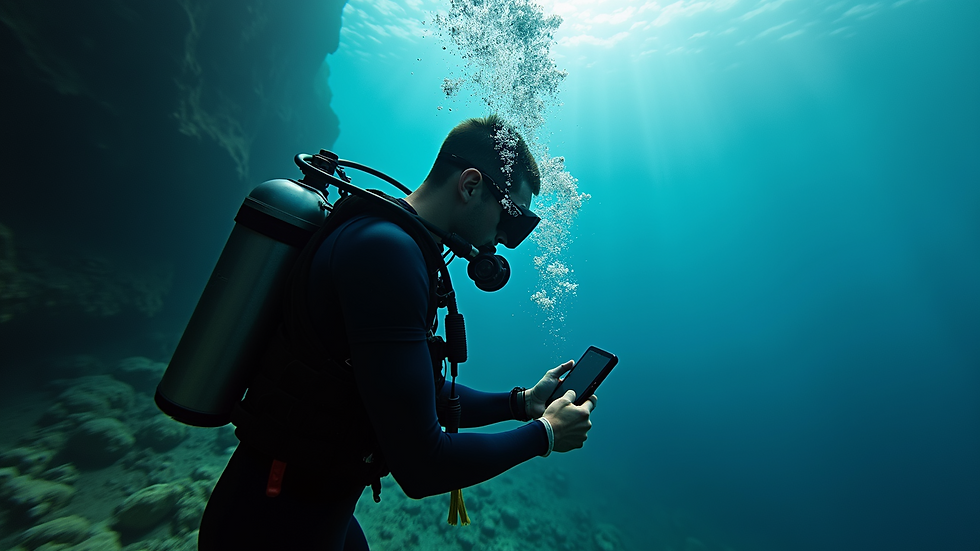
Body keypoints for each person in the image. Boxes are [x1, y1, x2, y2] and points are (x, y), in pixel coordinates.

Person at [197, 115, 597, 550]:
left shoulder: (395, 243)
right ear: (469, 185)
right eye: (512, 218)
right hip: (271, 526)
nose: (505, 238)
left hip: (301, 509)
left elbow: (404, 387)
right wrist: (546, 434)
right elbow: (423, 467)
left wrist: (521, 403)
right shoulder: (388, 255)